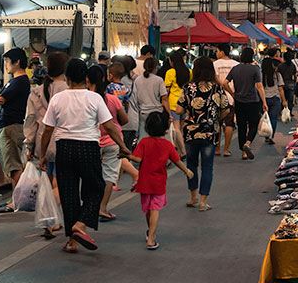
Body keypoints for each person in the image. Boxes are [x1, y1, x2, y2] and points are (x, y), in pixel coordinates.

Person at [39, 58, 131, 253]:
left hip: (64, 149)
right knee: (96, 188)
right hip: (89, 148)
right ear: (86, 78)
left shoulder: (58, 98)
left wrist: (42, 154)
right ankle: (80, 225)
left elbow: (47, 130)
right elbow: (109, 126)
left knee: (69, 194)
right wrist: (122, 146)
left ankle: (72, 241)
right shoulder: (95, 98)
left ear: (67, 78)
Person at [131, 112, 193, 251]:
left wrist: (126, 154)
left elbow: (137, 159)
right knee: (155, 209)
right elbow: (177, 160)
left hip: (144, 181)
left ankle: (149, 231)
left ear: (147, 128)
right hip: (159, 182)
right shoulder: (167, 145)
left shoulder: (144, 142)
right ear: (165, 129)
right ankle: (151, 239)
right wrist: (186, 171)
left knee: (147, 210)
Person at [176, 57, 230, 211]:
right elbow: (226, 109)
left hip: (190, 133)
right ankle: (203, 202)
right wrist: (215, 119)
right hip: (209, 132)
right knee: (207, 167)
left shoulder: (188, 87)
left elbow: (179, 110)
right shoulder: (217, 88)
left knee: (191, 164)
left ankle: (192, 197)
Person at [91, 64, 132, 222]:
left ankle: (90, 207)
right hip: (112, 141)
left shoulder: (88, 98)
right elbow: (125, 119)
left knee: (93, 176)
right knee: (109, 176)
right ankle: (102, 209)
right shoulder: (113, 98)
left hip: (93, 140)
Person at [0, 48, 32, 190]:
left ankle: (18, 198)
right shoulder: (14, 81)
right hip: (8, 126)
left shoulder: (19, 81)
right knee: (11, 165)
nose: (6, 65)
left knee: (13, 166)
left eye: (8, 61)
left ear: (17, 62)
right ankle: (16, 199)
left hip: (11, 127)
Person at [228, 47, 266, 160]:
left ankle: (243, 152)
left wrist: (232, 94)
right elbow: (259, 86)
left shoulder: (235, 69)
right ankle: (248, 143)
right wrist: (264, 102)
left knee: (241, 126)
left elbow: (225, 82)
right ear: (251, 56)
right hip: (253, 101)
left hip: (239, 101)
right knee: (254, 124)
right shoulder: (255, 69)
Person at [130, 56, 168, 141]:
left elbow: (135, 96)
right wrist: (168, 113)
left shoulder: (137, 80)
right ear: (155, 67)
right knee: (157, 137)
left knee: (143, 137)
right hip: (156, 112)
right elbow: (164, 98)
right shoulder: (159, 80)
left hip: (143, 111)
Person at [212, 47, 238, 156]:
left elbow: (214, 79)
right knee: (229, 124)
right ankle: (226, 149)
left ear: (222, 51)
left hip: (217, 97)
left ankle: (217, 149)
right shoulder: (236, 64)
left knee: (217, 123)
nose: (217, 53)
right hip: (231, 97)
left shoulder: (215, 64)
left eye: (217, 51)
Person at [163, 50, 189, 150]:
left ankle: (182, 151)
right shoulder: (188, 71)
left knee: (176, 128)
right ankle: (179, 148)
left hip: (174, 102)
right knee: (181, 128)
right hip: (185, 102)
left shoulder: (170, 72)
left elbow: (167, 89)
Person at [261, 55, 289, 145]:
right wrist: (284, 100)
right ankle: (271, 136)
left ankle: (266, 135)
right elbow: (280, 89)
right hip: (275, 99)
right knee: (273, 118)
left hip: (264, 99)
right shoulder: (277, 75)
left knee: (266, 117)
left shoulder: (260, 75)